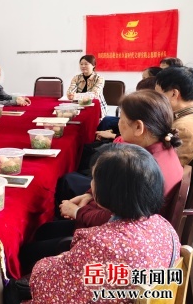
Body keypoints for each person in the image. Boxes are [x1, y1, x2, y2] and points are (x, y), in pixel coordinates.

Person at [12, 145, 181, 304]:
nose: (91, 185)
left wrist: (49, 262)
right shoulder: (164, 227)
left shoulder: (102, 244)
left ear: (109, 192)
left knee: (11, 293)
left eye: (94, 179)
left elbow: (49, 301)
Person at [27, 90, 183, 273]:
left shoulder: (145, 168)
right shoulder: (159, 152)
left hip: (113, 240)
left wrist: (79, 212)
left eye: (121, 119)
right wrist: (88, 196)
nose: (118, 124)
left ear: (138, 127)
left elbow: (117, 219)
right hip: (128, 233)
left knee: (30, 251)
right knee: (44, 231)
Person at [156, 66, 193, 165]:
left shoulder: (182, 128)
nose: (156, 99)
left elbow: (163, 168)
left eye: (157, 94)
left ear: (174, 94)